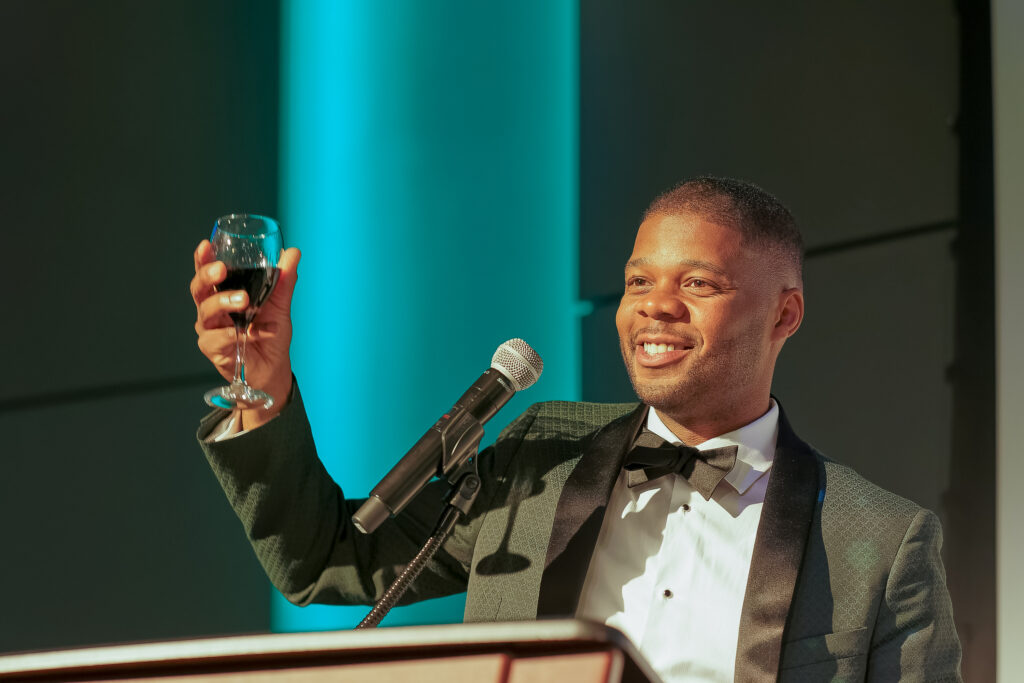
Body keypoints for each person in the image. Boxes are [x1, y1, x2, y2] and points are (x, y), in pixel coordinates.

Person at [191, 177, 962, 682]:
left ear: (784, 312)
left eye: (697, 283)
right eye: (637, 281)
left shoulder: (883, 542)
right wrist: (259, 393)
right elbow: (327, 559)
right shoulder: (541, 453)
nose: (655, 305)